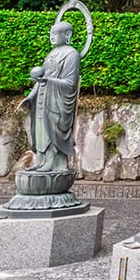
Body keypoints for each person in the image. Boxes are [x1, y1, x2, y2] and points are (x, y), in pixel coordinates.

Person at [24, 21, 80, 173]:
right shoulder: (51, 54)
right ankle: (41, 160)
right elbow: (42, 77)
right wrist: (30, 96)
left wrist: (48, 81)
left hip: (57, 101)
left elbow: (70, 83)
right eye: (51, 34)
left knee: (52, 128)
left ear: (67, 35)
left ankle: (53, 161)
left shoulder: (71, 54)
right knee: (40, 129)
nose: (52, 37)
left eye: (56, 34)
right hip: (43, 98)